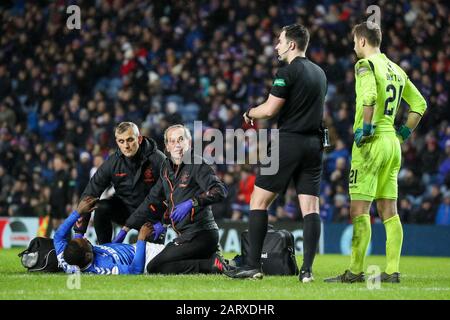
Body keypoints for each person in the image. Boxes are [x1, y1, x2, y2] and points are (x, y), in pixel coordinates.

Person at [325, 22, 427, 283]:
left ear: (362, 41)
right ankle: (392, 271)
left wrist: (367, 128)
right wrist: (403, 133)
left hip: (371, 143)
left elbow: (369, 96)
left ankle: (355, 271)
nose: (353, 46)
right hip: (392, 142)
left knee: (359, 209)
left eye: (354, 41)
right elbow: (419, 104)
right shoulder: (396, 69)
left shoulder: (365, 65)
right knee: (389, 210)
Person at [224, 24, 327, 282]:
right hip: (314, 145)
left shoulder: (287, 71)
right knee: (311, 207)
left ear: (292, 44)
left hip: (287, 142)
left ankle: (252, 265)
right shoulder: (320, 73)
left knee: (258, 202)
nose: (276, 46)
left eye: (279, 41)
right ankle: (307, 271)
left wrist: (249, 113)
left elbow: (270, 109)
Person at [124, 124, 231, 274]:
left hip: (201, 234)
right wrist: (162, 223)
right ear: (167, 146)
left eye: (181, 140)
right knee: (161, 266)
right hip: (186, 236)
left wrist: (192, 202)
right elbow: (156, 199)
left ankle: (210, 264)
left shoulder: (196, 163)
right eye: (172, 141)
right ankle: (211, 259)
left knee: (154, 267)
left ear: (189, 142)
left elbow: (220, 190)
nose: (177, 145)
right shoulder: (166, 168)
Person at [74, 122, 166, 244]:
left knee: (150, 261)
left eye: (130, 140)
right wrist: (79, 233)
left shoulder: (158, 159)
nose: (126, 146)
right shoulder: (113, 162)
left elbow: (172, 191)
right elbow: (90, 192)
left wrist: (163, 222)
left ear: (139, 139)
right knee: (101, 207)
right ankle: (105, 249)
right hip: (124, 210)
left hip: (151, 215)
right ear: (117, 142)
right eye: (121, 141)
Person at [54, 197, 164, 274]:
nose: (86, 239)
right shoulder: (103, 269)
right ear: (88, 256)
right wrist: (141, 239)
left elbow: (58, 236)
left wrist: (78, 212)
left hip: (133, 247)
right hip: (147, 257)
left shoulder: (64, 256)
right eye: (86, 242)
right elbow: (135, 271)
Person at [49, 154, 71, 231]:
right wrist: (49, 203)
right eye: (55, 164)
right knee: (55, 224)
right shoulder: (53, 176)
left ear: (62, 164)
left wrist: (69, 203)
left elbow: (69, 190)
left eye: (58, 163)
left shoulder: (66, 175)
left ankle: (67, 241)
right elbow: (51, 191)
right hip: (54, 203)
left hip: (63, 203)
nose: (56, 165)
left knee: (64, 225)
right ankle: (56, 241)